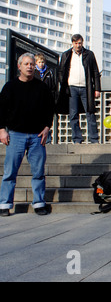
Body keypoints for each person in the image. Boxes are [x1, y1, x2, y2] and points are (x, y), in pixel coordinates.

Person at [0, 53, 55, 217]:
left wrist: (47, 127)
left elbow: (49, 109)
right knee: (10, 172)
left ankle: (39, 202)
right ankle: (5, 203)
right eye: (26, 64)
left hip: (37, 136)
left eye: (32, 64)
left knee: (38, 172)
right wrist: (2, 129)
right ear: (19, 67)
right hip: (16, 135)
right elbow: (1, 110)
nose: (30, 67)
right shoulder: (10, 87)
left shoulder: (42, 88)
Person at [58, 34, 102, 144]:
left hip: (86, 88)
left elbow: (95, 72)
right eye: (76, 43)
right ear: (72, 43)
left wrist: (97, 89)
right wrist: (64, 85)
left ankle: (94, 139)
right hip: (71, 88)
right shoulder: (66, 55)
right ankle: (77, 139)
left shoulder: (89, 54)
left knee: (90, 113)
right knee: (73, 114)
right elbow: (61, 72)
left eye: (80, 43)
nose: (78, 45)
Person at [34, 53, 57, 144]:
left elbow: (53, 87)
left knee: (46, 121)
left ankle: (47, 140)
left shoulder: (49, 72)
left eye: (43, 62)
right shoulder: (34, 72)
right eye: (39, 62)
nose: (41, 64)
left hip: (47, 100)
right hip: (36, 101)